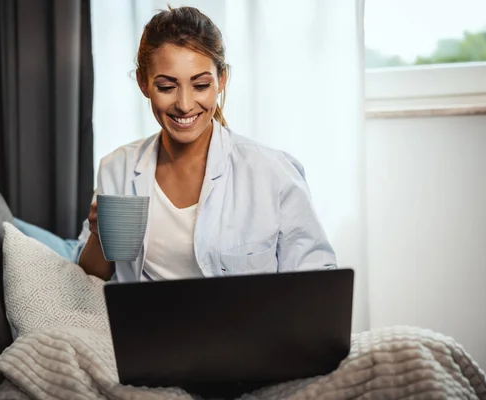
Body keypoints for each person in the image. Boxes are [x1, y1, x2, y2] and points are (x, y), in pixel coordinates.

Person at [71, 6, 336, 282]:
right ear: (143, 83)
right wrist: (98, 236)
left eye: (200, 85)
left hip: (245, 324)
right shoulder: (117, 168)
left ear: (221, 80)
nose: (185, 105)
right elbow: (91, 279)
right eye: (166, 86)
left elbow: (316, 281)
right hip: (149, 323)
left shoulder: (272, 173)